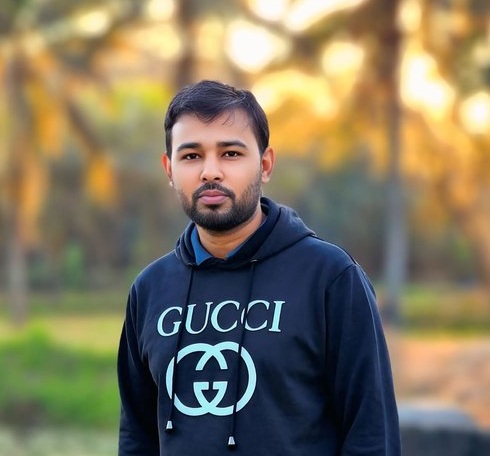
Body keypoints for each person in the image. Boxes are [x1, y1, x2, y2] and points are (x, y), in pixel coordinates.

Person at [117, 79, 401, 455]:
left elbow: (372, 435)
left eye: (231, 154)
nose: (210, 172)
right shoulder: (150, 289)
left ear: (265, 165)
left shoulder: (330, 278)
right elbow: (137, 436)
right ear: (169, 169)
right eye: (192, 156)